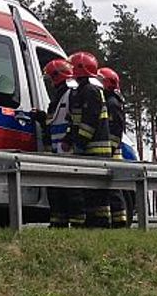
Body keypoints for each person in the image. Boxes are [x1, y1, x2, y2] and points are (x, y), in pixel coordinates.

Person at [65, 51, 115, 227]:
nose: (70, 69)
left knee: (98, 194)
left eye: (73, 66)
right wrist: (69, 138)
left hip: (96, 151)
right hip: (87, 149)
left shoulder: (91, 91)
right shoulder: (79, 91)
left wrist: (79, 142)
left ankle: (101, 225)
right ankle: (93, 224)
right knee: (89, 191)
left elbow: (89, 122)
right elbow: (75, 120)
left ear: (81, 69)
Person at [43, 58, 84, 227]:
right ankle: (58, 224)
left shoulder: (71, 93)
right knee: (56, 189)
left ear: (56, 76)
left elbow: (76, 120)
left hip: (68, 149)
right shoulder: (60, 95)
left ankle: (77, 224)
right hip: (58, 149)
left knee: (72, 190)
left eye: (50, 78)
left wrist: (69, 139)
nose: (50, 82)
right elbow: (52, 120)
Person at [97, 66, 129, 227]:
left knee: (114, 189)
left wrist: (111, 147)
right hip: (109, 150)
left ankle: (120, 221)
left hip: (112, 152)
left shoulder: (112, 103)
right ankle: (114, 221)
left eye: (101, 81)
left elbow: (116, 130)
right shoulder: (108, 101)